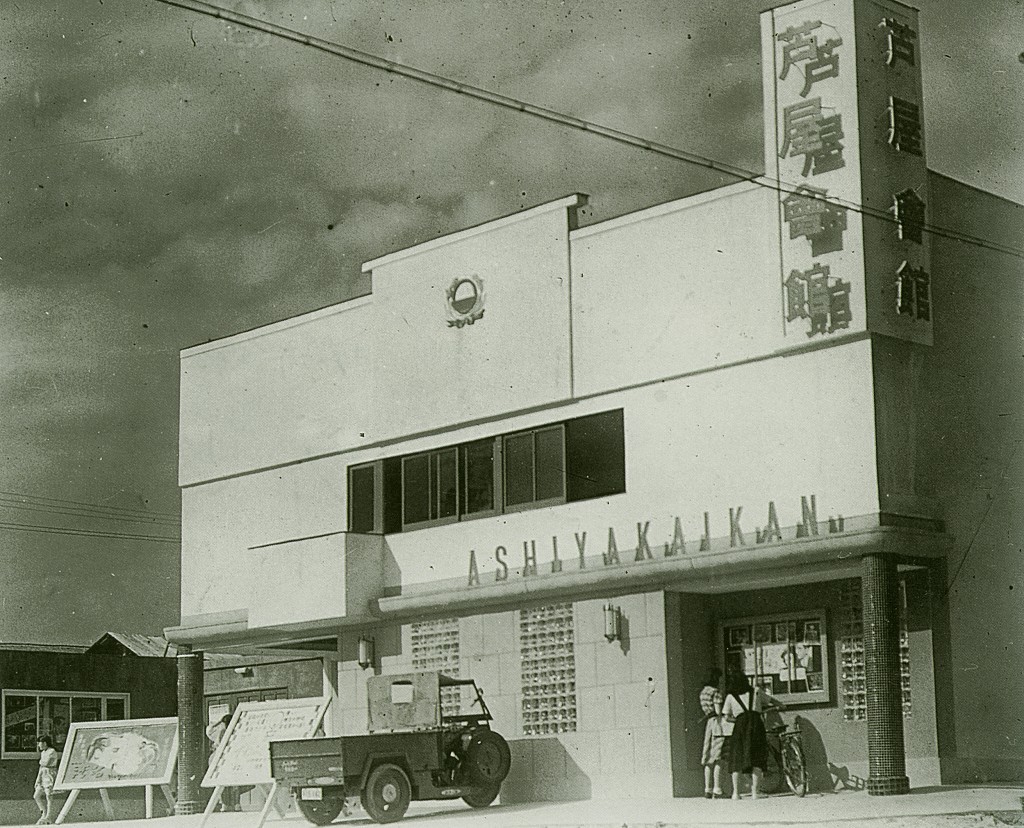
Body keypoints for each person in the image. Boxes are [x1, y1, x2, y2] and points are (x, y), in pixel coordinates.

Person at [722, 672, 783, 800]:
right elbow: (771, 700)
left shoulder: (730, 697)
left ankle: (736, 793)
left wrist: (738, 720)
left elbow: (726, 717)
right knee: (757, 758)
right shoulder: (755, 691)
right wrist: (781, 705)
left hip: (739, 727)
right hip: (756, 725)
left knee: (737, 757)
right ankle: (755, 792)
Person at [698, 667, 726, 799]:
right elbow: (719, 710)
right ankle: (718, 789)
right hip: (717, 723)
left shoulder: (703, 692)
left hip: (708, 723)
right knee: (717, 757)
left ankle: (707, 789)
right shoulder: (716, 692)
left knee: (708, 757)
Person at [206, 713, 239, 812]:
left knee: (221, 782)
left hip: (220, 758)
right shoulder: (236, 731)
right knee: (235, 782)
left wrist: (218, 722)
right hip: (233, 758)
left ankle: (224, 804)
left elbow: (209, 731)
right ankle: (237, 804)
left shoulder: (221, 732)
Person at [34, 735, 58, 825]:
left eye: (39, 743)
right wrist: (38, 779)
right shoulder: (43, 753)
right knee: (36, 795)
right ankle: (43, 812)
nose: (38, 745)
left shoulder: (52, 751)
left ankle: (48, 816)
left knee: (49, 795)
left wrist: (41, 762)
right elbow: (41, 766)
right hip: (42, 774)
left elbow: (45, 763)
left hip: (49, 774)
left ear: (44, 743)